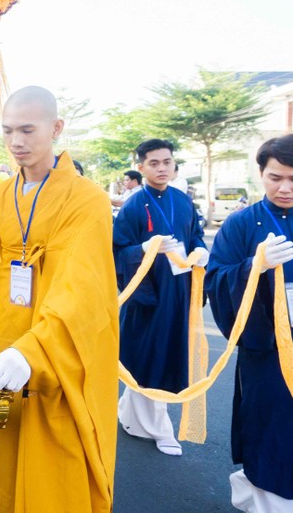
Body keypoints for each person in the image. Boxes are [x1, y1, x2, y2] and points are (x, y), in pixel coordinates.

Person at [0, 86, 118, 512]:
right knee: (9, 458)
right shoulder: (1, 195)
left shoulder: (88, 199)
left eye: (28, 129)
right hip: (7, 346)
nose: (17, 142)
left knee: (56, 457)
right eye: (8, 132)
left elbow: (85, 288)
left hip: (57, 352)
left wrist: (34, 351)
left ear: (56, 128)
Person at [206, 134, 293, 513]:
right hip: (265, 350)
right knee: (272, 428)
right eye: (274, 177)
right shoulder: (239, 225)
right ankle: (273, 499)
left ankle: (265, 488)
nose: (284, 187)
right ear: (261, 175)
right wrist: (254, 267)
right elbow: (216, 280)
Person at [113, 139, 208, 456]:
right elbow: (116, 250)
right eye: (154, 163)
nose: (162, 168)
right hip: (147, 296)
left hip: (177, 293)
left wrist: (200, 249)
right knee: (146, 358)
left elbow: (194, 233)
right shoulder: (133, 206)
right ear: (141, 167)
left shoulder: (182, 201)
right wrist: (144, 248)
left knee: (168, 356)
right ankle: (159, 428)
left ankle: (132, 413)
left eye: (167, 162)